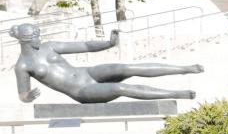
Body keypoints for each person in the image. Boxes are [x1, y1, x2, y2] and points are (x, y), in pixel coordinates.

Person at [8, 23, 202, 104]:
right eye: (33, 36)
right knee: (120, 87)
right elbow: (22, 95)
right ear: (23, 40)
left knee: (126, 68)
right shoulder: (22, 66)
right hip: (80, 91)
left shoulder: (49, 46)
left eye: (38, 34)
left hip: (88, 73)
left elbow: (83, 46)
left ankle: (185, 69)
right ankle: (176, 94)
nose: (38, 38)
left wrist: (108, 44)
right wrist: (28, 96)